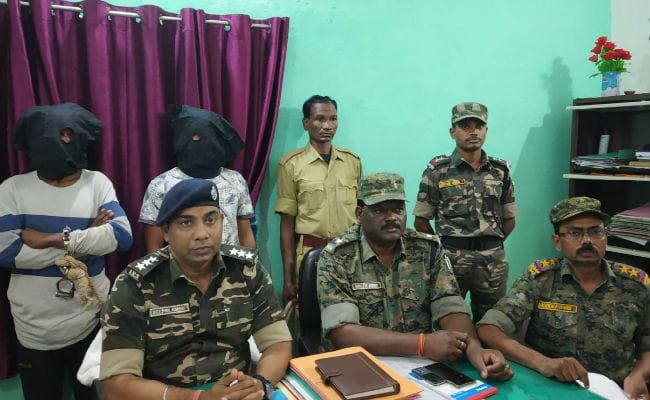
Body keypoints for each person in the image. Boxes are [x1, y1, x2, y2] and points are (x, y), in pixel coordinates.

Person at [101, 178, 292, 400]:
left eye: (210, 220)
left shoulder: (246, 270)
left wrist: (259, 384)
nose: (202, 233)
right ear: (166, 231)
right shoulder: (135, 284)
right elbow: (117, 383)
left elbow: (277, 343)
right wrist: (198, 398)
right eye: (186, 222)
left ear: (222, 221)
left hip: (236, 392)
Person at [317, 172, 513, 381]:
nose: (391, 217)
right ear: (359, 213)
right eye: (379, 210)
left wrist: (474, 349)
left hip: (420, 365)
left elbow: (449, 306)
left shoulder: (427, 249)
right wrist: (422, 344)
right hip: (361, 365)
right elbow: (343, 333)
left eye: (398, 209)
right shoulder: (337, 256)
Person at [0, 103, 133, 400]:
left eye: (66, 135)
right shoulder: (12, 189)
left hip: (90, 321)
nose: (58, 144)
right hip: (32, 326)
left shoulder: (97, 183)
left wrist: (51, 239)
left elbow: (121, 236)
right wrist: (87, 241)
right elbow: (6, 251)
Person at [477, 197, 650, 398]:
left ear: (606, 237)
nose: (587, 240)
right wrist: (543, 363)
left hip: (615, 391)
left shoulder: (635, 284)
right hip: (551, 388)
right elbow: (488, 329)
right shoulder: (540, 278)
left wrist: (639, 374)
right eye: (575, 233)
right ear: (557, 242)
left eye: (595, 231)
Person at [413, 102, 517, 322]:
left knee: (492, 321)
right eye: (465, 126)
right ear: (452, 132)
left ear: (486, 130)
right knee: (447, 318)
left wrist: (490, 245)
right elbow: (421, 221)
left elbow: (509, 219)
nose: (473, 132)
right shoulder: (438, 171)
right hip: (451, 258)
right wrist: (441, 252)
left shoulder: (500, 171)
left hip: (492, 261)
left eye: (479, 126)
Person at [275, 95, 362, 305]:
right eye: (320, 119)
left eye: (333, 119)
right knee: (310, 315)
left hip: (351, 255)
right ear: (306, 123)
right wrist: (288, 279)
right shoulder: (291, 165)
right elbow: (287, 224)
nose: (327, 126)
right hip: (311, 256)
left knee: (352, 314)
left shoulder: (352, 162)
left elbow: (362, 214)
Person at [140, 105, 256, 252]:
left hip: (230, 264)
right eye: (191, 139)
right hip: (182, 264)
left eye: (203, 138)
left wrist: (250, 264)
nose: (197, 144)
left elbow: (245, 234)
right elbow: (154, 246)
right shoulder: (161, 185)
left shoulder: (235, 180)